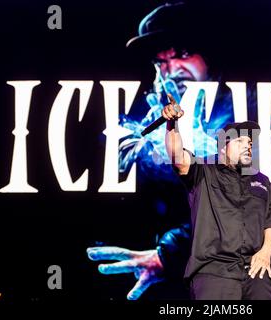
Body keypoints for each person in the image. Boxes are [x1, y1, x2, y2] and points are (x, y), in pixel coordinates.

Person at [87, 2, 233, 300]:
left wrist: (168, 255)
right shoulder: (150, 112)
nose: (172, 69)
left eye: (182, 54)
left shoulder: (243, 110)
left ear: (210, 57)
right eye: (160, 61)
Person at [163, 94, 271, 300]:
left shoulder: (261, 181)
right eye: (240, 141)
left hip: (255, 272)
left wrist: (266, 251)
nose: (248, 145)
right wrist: (172, 124)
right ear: (223, 146)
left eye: (250, 142)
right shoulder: (204, 170)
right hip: (214, 272)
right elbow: (177, 157)